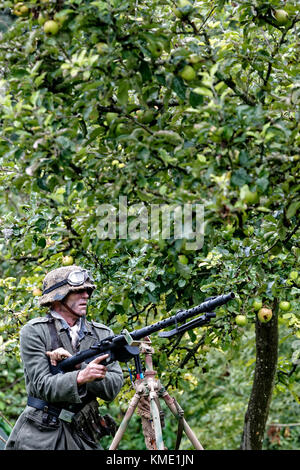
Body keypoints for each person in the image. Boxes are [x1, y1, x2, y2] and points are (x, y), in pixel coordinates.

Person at [5, 265, 124, 450]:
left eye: (87, 290)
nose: (86, 295)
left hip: (83, 433)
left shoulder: (102, 334)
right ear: (58, 297)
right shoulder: (35, 331)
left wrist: (81, 368)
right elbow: (43, 385)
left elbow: (113, 388)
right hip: (41, 433)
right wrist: (80, 377)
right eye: (78, 291)